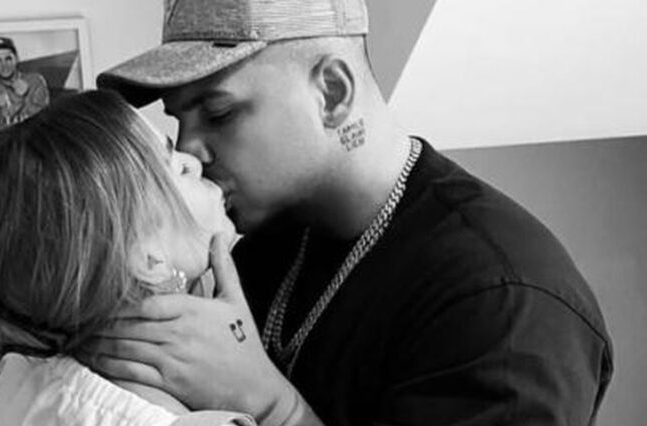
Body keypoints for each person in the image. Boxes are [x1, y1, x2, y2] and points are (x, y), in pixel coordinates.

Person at [93, 0, 614, 425]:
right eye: (179, 120)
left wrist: (272, 405)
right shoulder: (268, 241)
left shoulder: (503, 301)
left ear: (332, 93)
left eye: (219, 112)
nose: (188, 149)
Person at [0, 90, 254, 426]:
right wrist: (270, 402)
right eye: (176, 168)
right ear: (147, 260)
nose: (194, 162)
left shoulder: (25, 374)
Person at [0, 37, 49, 127]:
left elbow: (44, 117)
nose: (4, 65)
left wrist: (5, 110)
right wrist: (18, 98)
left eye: (8, 59)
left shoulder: (35, 81)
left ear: (16, 59)